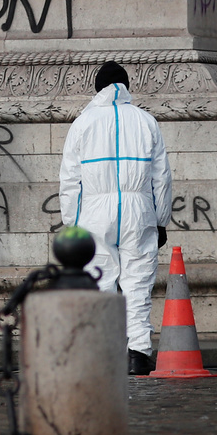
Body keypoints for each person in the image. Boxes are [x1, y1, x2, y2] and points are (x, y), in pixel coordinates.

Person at [58, 60, 173, 376]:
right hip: (139, 210)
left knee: (100, 283)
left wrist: (71, 223)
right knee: (137, 285)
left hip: (94, 213)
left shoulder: (83, 123)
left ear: (97, 89)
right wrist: (161, 219)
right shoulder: (146, 121)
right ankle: (137, 354)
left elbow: (69, 179)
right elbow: (161, 177)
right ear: (126, 87)